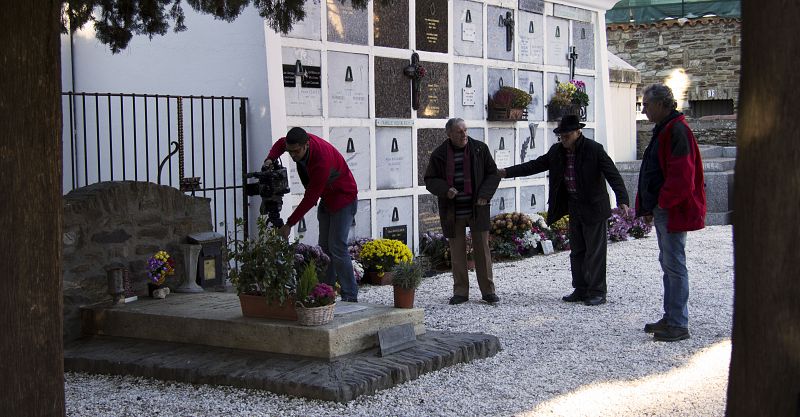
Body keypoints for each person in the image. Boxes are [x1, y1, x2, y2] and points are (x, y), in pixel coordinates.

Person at [498, 115, 629, 306]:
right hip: (574, 206)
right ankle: (581, 288)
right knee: (577, 251)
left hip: (594, 206)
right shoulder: (557, 151)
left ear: (578, 132)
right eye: (561, 136)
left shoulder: (594, 149)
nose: (564, 139)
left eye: (567, 135)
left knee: (595, 252)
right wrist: (507, 172)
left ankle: (597, 291)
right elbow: (535, 165)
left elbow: (613, 174)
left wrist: (623, 199)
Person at [637, 84, 706, 342]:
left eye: (646, 104)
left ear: (662, 105)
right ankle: (671, 317)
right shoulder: (666, 129)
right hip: (665, 208)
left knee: (674, 265)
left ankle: (678, 323)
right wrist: (649, 206)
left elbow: (682, 175)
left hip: (672, 210)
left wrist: (662, 203)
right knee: (669, 264)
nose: (643, 109)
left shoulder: (676, 130)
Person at [263, 127, 360, 302]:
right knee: (324, 249)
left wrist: (289, 224)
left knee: (337, 247)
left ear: (306, 145)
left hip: (343, 198)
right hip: (328, 197)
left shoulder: (320, 160)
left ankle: (350, 295)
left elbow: (310, 198)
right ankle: (325, 293)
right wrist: (270, 159)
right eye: (290, 151)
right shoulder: (296, 142)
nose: (293, 155)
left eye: (296, 151)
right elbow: (280, 143)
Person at [424, 118, 501, 305]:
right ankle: (460, 292)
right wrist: (445, 190)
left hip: (477, 208)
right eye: (459, 132)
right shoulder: (440, 154)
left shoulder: (479, 149)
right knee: (457, 253)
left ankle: (488, 291)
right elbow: (430, 179)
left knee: (482, 251)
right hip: (453, 210)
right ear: (449, 134)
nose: (464, 134)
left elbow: (493, 173)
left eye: (465, 130)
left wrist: (484, 194)